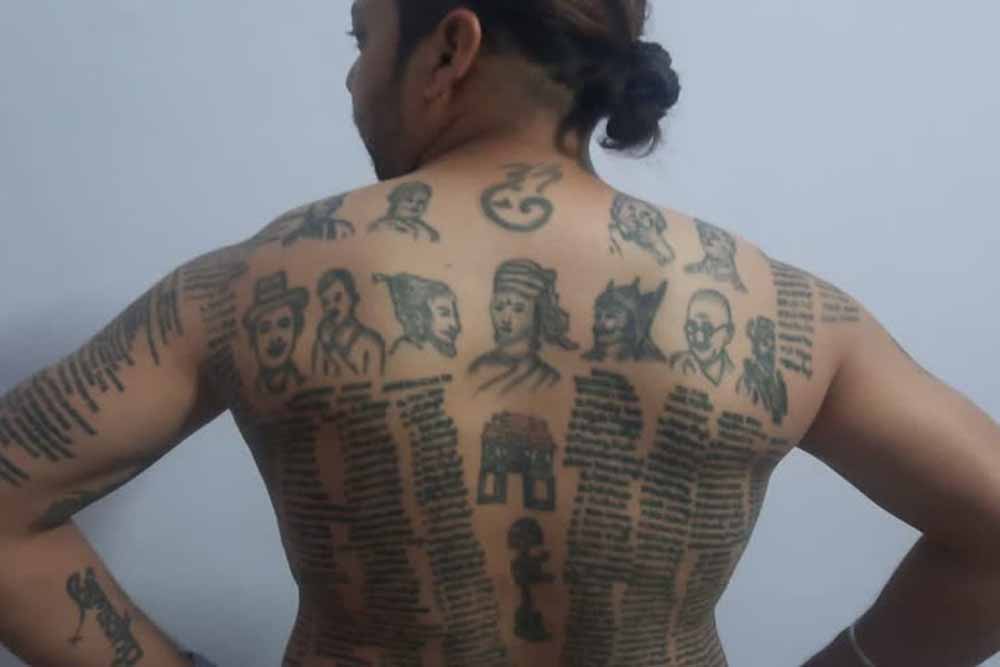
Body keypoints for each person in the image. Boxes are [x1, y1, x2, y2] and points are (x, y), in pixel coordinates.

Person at [0, 2, 998, 667]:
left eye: (361, 38)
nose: (353, 80)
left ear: (449, 49)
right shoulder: (782, 310)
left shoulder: (259, 281)